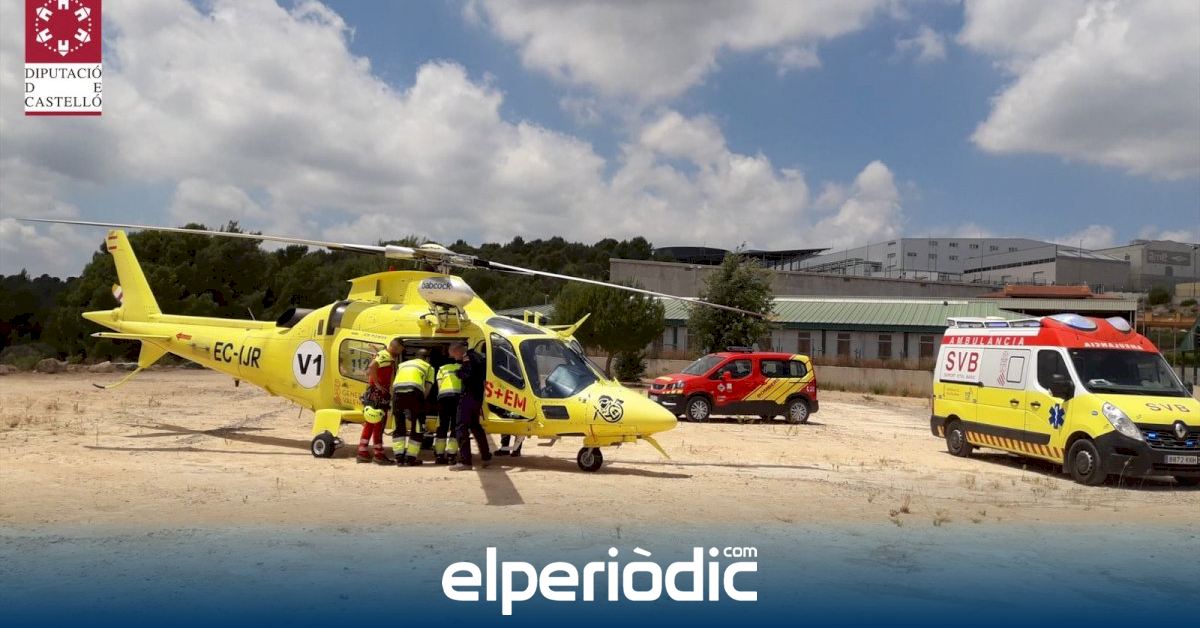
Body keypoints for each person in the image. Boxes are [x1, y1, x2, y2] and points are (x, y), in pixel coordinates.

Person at [449, 341, 491, 471]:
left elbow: (467, 374)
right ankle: (486, 456)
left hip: (468, 397)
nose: (454, 358)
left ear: (458, 351)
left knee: (461, 427)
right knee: (476, 427)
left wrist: (458, 372)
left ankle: (465, 461)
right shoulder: (478, 356)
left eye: (453, 355)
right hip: (477, 397)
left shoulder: (468, 358)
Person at [358, 338, 402, 464]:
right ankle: (378, 454)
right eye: (400, 350)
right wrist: (377, 384)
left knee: (371, 423)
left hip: (375, 394)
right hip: (378, 395)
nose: (400, 353)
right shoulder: (385, 356)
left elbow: (371, 369)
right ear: (395, 347)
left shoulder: (383, 355)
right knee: (378, 423)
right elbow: (372, 367)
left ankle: (363, 452)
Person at [391, 348, 434, 466]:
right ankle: (411, 458)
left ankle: (399, 458)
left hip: (397, 393)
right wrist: (421, 404)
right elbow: (427, 388)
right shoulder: (428, 367)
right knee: (417, 426)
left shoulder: (402, 365)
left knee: (399, 425)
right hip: (414, 393)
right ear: (427, 358)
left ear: (415, 356)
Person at [434, 359, 463, 464]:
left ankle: (439, 455)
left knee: (442, 426)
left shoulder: (442, 368)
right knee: (455, 426)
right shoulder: (464, 368)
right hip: (458, 398)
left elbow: (439, 385)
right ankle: (451, 456)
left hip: (444, 397)